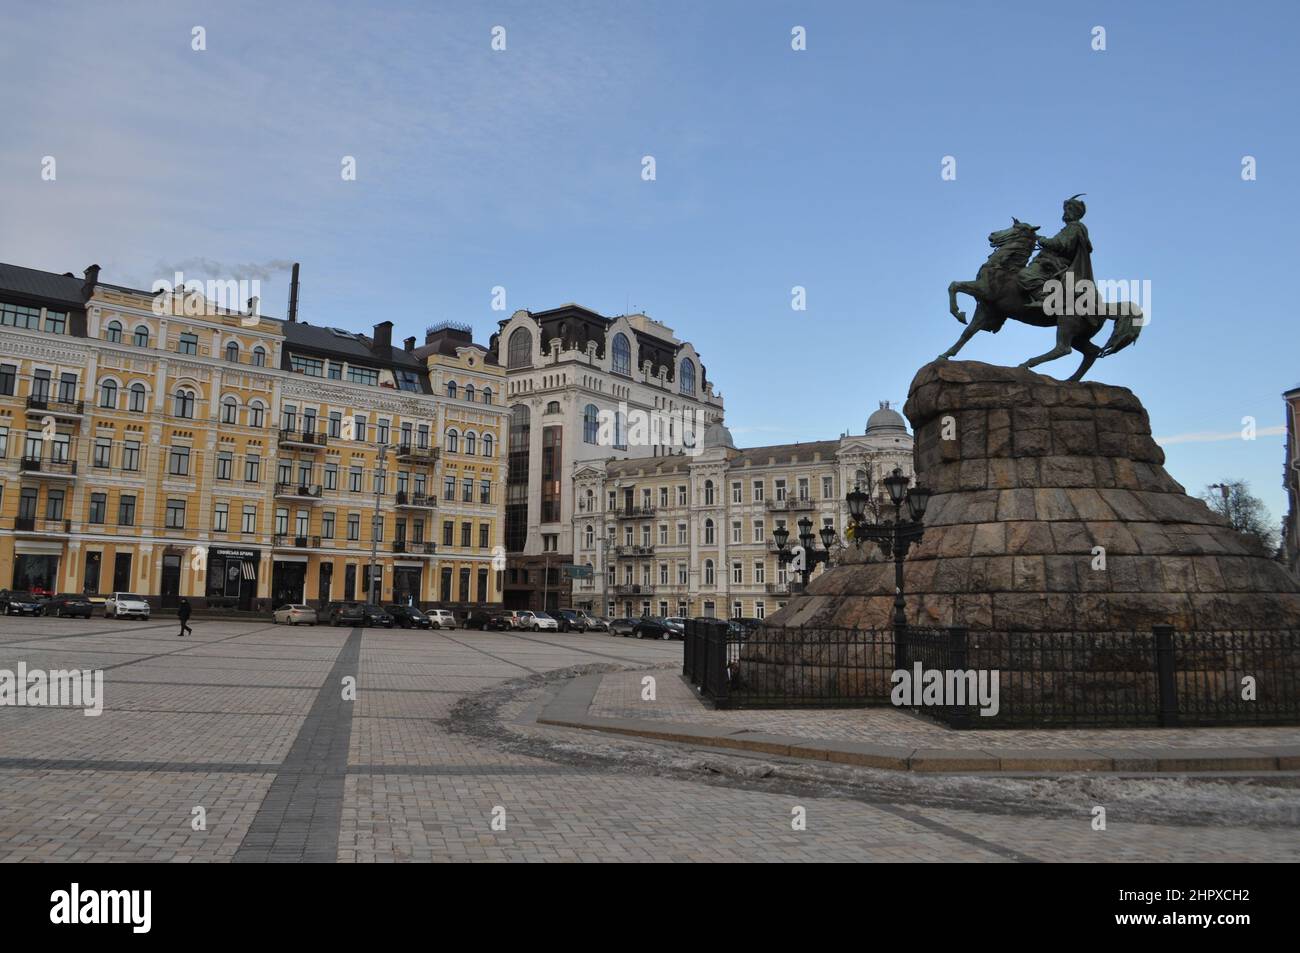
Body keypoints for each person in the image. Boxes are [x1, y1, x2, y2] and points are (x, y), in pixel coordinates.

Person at [1017, 194, 1094, 307]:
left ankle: (1045, 298)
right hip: (1050, 261)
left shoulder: (1075, 227)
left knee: (1025, 274)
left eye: (1068, 209)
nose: (1065, 212)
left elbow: (1060, 244)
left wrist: (1041, 239)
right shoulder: (1072, 227)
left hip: (1056, 264)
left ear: (1075, 212)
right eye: (1065, 209)